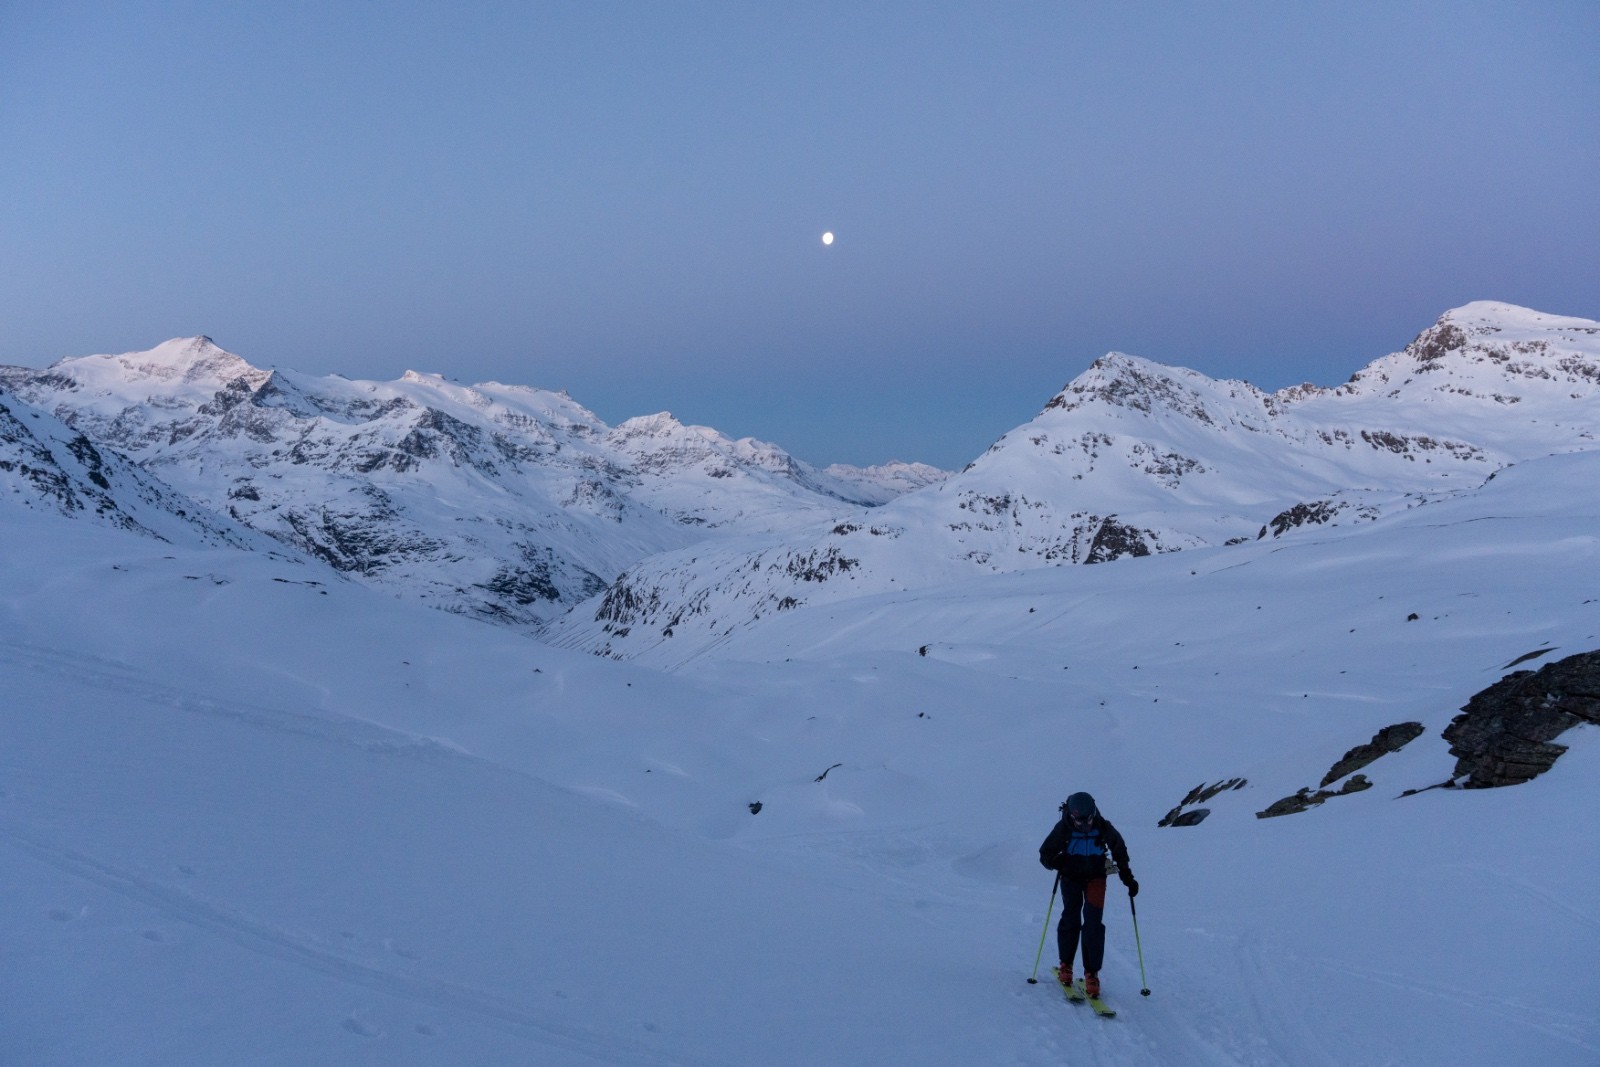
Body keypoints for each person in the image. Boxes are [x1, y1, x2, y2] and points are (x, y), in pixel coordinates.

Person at [1038, 791, 1137, 997]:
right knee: (1071, 918)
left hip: (1096, 878)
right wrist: (1057, 862)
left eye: (1088, 820)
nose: (1084, 825)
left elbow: (1119, 849)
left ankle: (1091, 974)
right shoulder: (1063, 827)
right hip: (1070, 878)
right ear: (1072, 816)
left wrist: (1127, 877)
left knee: (1093, 924)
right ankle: (1066, 965)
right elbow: (1045, 853)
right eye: (1079, 821)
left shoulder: (1103, 826)